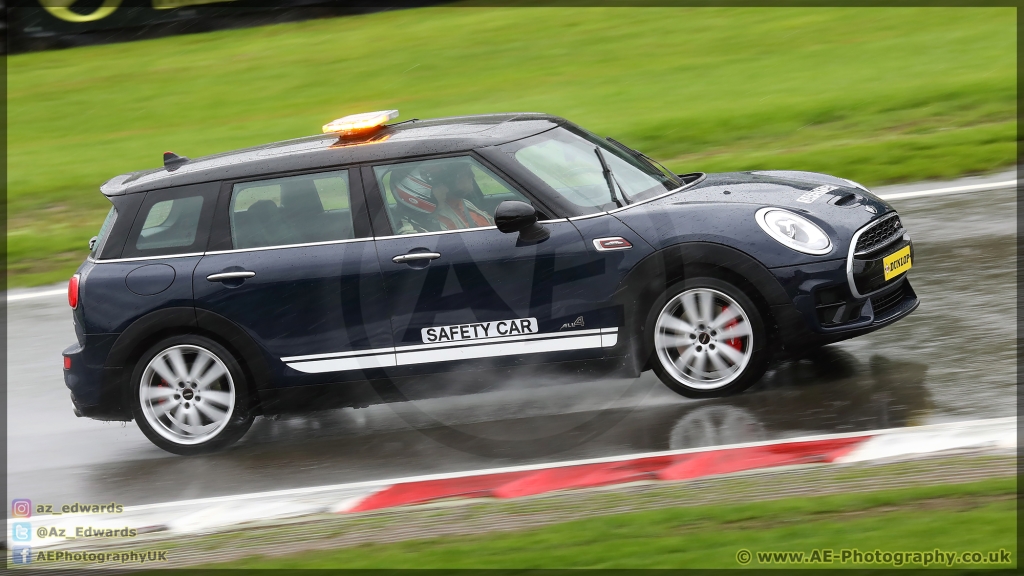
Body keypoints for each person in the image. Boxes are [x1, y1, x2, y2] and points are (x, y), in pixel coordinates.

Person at [391, 162, 493, 234]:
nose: (446, 189)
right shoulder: (414, 233)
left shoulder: (462, 204)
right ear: (420, 190)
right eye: (439, 185)